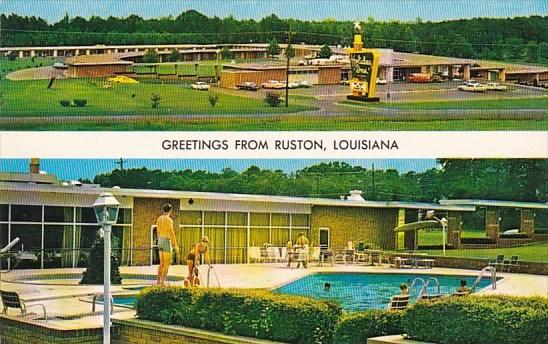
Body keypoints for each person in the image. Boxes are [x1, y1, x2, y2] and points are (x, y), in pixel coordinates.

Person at [156, 203, 179, 286]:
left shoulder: (159, 219)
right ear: (170, 211)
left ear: (163, 210)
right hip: (166, 241)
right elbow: (172, 233)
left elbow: (157, 231)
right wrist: (175, 245)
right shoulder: (169, 220)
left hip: (160, 241)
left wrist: (159, 240)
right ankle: (162, 282)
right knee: (166, 264)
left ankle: (158, 281)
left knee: (161, 263)